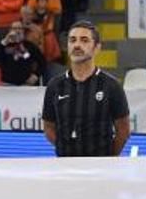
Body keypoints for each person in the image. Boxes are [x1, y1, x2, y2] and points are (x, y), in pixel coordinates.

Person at [42, 21, 131, 157]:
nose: (77, 45)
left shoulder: (111, 86)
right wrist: (65, 148)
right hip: (65, 167)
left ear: (96, 47)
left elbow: (123, 131)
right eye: (72, 40)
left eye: (84, 40)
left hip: (101, 168)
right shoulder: (55, 85)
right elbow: (48, 127)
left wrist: (108, 158)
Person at [0, 22, 45, 87]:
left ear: (23, 31)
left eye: (19, 28)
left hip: (26, 83)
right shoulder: (4, 44)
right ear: (10, 30)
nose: (17, 30)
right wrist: (5, 41)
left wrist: (36, 75)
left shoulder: (30, 46)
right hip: (7, 83)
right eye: (14, 28)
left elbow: (42, 62)